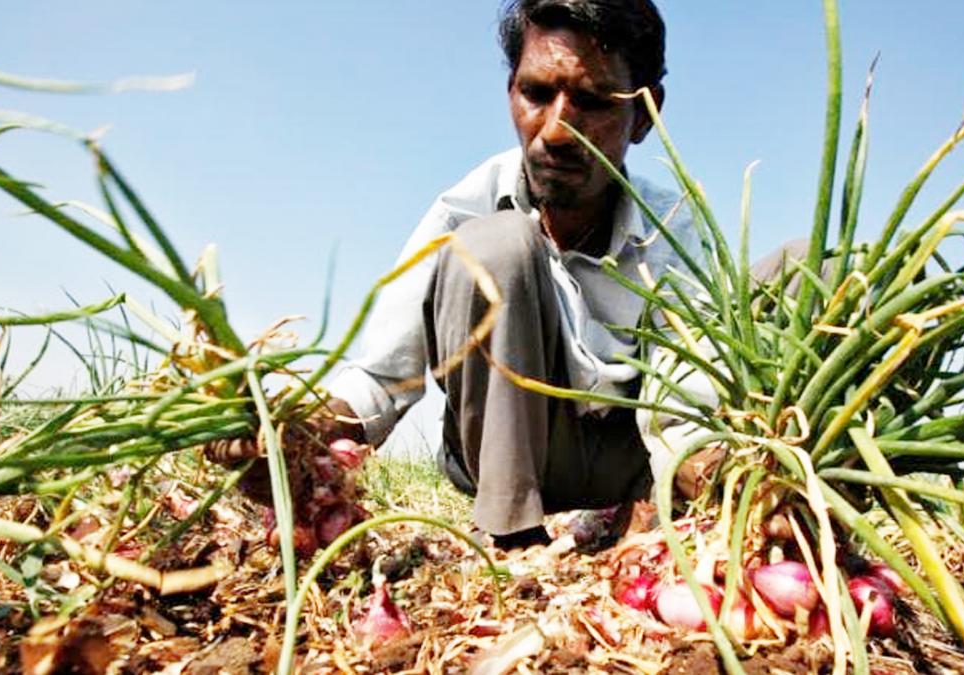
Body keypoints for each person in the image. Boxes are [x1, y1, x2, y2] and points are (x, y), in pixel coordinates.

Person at [215, 0, 699, 550]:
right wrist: (290, 438)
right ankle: (510, 537)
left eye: (591, 101)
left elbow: (686, 390)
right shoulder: (465, 210)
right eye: (536, 94)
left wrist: (719, 467)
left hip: (628, 459)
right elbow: (382, 377)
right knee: (495, 245)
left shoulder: (669, 227)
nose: (558, 130)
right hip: (505, 455)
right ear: (512, 90)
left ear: (644, 114)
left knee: (805, 267)